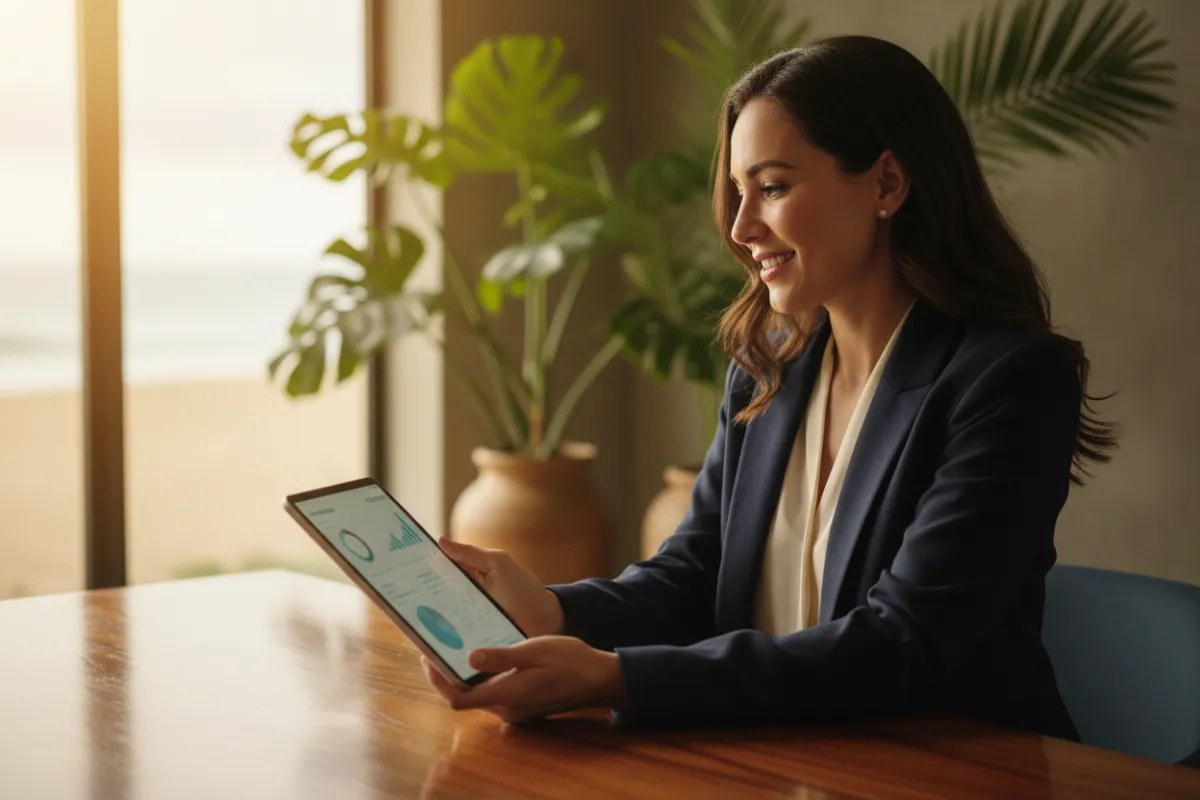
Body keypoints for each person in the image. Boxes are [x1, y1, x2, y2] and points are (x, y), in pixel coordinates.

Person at [420, 35, 1118, 741]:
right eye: (739, 192)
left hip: (952, 772)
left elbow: (904, 642)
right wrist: (553, 612)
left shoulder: (1008, 382)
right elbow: (698, 572)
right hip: (786, 761)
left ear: (886, 184)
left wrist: (616, 677)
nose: (742, 225)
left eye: (774, 187)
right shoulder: (769, 367)